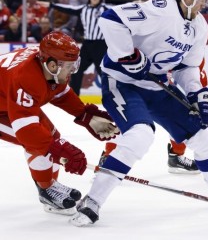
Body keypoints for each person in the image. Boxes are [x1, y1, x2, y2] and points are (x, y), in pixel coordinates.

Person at [70, 0, 208, 227]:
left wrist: (198, 96)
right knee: (140, 135)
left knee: (203, 135)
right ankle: (93, 200)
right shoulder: (160, 9)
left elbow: (187, 68)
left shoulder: (199, 25)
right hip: (122, 83)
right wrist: (128, 56)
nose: (206, 3)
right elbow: (110, 19)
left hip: (156, 86)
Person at [0, 31, 119, 215]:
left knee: (51, 140)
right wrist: (60, 150)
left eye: (74, 65)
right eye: (70, 66)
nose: (73, 71)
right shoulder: (26, 78)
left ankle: (49, 185)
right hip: (4, 107)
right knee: (43, 142)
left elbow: (60, 93)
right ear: (52, 65)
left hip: (8, 101)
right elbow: (27, 131)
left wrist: (85, 115)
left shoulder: (48, 66)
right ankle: (47, 191)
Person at [50, 0, 109, 95]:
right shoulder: (83, 9)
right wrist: (52, 5)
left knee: (104, 73)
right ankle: (74, 96)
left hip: (100, 46)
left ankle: (111, 98)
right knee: (76, 70)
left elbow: (120, 9)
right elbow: (68, 8)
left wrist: (135, 5)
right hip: (87, 45)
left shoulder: (105, 9)